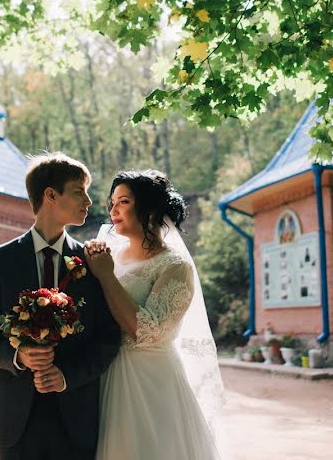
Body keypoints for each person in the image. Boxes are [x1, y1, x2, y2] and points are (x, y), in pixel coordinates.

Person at [0, 152, 122, 460]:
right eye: (79, 191)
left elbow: (108, 339)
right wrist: (18, 356)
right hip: (13, 416)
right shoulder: (0, 260)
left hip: (75, 415)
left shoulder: (92, 262)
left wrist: (66, 376)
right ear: (50, 194)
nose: (89, 201)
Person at [85, 169, 224, 460]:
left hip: (150, 383)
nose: (113, 210)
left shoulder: (174, 266)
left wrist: (106, 277)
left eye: (123, 201)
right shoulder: (107, 254)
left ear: (148, 207)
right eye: (112, 202)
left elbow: (148, 331)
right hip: (103, 371)